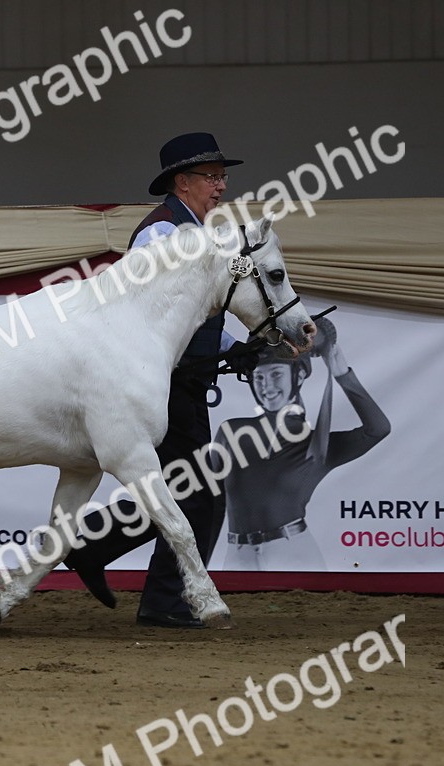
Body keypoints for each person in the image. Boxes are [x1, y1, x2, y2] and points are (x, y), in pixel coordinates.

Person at [62, 132, 253, 628]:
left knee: (183, 489)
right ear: (181, 181)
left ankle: (90, 550)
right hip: (162, 386)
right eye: (212, 178)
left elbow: (194, 314)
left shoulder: (193, 231)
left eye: (222, 177)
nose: (221, 187)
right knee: (199, 494)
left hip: (181, 382)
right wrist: (225, 349)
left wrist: (236, 348)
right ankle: (164, 600)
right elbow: (155, 317)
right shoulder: (161, 235)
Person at [220, 319, 391, 570]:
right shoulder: (231, 431)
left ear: (299, 375)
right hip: (237, 555)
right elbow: (209, 500)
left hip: (293, 552)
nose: (267, 386)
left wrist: (340, 371)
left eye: (276, 374)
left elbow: (378, 429)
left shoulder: (317, 444)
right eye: (259, 377)